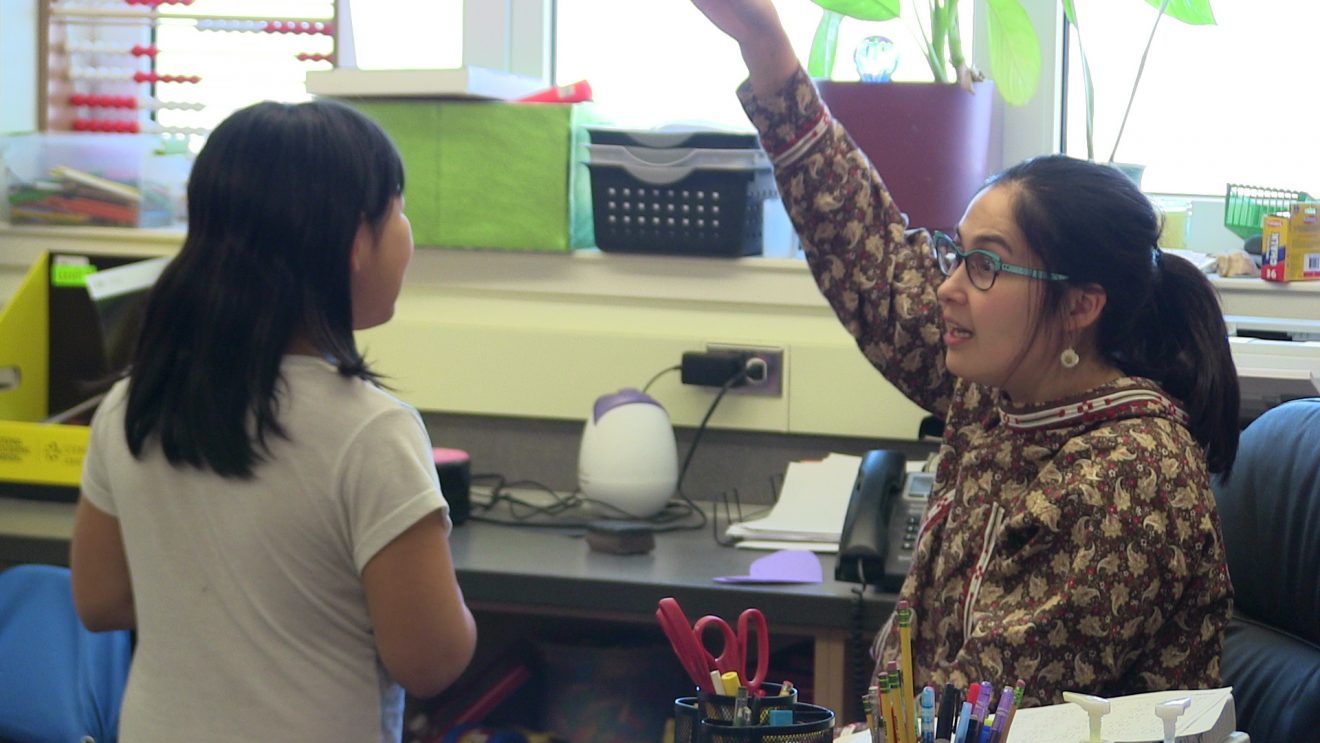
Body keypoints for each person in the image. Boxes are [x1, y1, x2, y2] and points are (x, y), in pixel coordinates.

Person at [692, 0, 1239, 708]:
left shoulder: (1130, 475)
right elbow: (875, 256)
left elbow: (985, 711)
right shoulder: (1004, 389)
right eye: (957, 253)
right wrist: (767, 50)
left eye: (985, 264)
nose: (948, 286)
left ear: (1080, 304)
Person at [69, 99, 477, 741]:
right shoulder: (372, 432)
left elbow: (100, 602)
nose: (406, 232)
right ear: (354, 245)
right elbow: (431, 660)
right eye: (397, 210)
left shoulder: (131, 403)